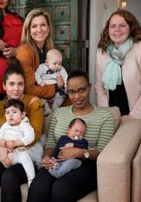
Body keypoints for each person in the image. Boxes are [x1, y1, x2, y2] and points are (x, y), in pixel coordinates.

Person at [27, 69, 115, 202]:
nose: (77, 96)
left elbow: (103, 153)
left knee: (60, 190)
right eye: (72, 92)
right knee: (37, 188)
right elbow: (51, 143)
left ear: (89, 88)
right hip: (57, 161)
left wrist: (79, 152)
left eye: (82, 90)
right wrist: (46, 156)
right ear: (67, 91)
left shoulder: (105, 116)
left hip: (86, 165)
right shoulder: (58, 113)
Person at [0, 57, 44, 202]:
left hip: (26, 151)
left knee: (9, 176)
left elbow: (36, 134)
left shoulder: (33, 102)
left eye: (20, 84)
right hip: (5, 150)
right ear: (4, 86)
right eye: (12, 84)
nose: (16, 88)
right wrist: (0, 147)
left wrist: (15, 145)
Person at [96, 9, 141, 142]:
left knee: (137, 155)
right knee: (116, 153)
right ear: (108, 29)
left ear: (131, 28)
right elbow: (100, 86)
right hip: (113, 111)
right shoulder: (102, 52)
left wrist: (134, 116)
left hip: (139, 112)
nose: (117, 30)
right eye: (113, 26)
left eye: (122, 25)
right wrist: (108, 113)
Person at [16, 8, 64, 100]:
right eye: (34, 26)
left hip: (50, 95)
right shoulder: (24, 53)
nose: (39, 29)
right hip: (32, 100)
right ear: (28, 31)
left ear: (48, 28)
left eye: (43, 25)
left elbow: (60, 75)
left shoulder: (51, 48)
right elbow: (29, 89)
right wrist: (55, 87)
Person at [35, 49, 68, 115]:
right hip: (45, 88)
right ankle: (46, 109)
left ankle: (55, 109)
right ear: (46, 62)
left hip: (57, 89)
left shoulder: (61, 69)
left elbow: (66, 77)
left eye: (59, 64)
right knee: (41, 98)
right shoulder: (42, 67)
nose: (57, 66)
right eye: (55, 63)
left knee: (61, 96)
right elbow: (36, 74)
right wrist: (40, 81)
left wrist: (66, 86)